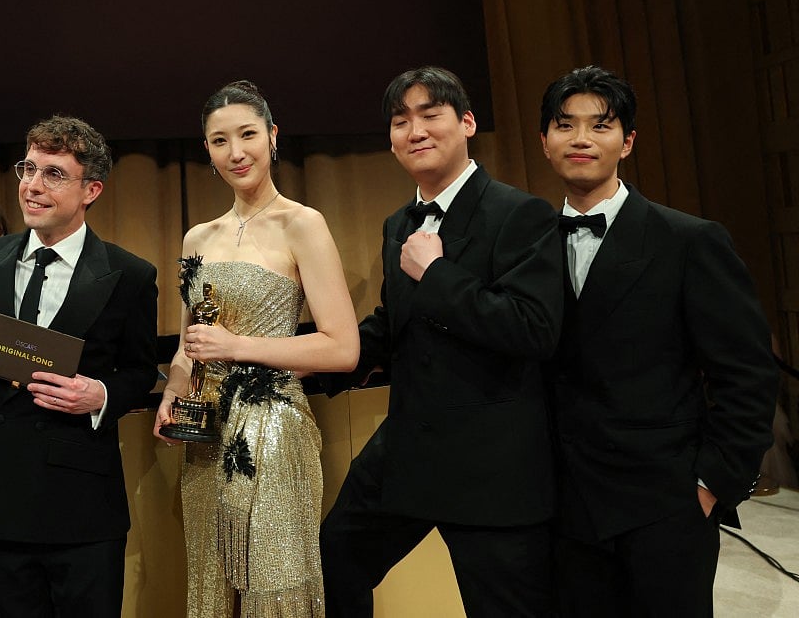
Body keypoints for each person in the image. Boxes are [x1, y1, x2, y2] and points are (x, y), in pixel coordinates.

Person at [320, 66, 564, 617]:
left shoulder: (520, 213)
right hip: (407, 451)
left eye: (431, 115)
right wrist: (313, 361)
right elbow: (394, 324)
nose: (416, 131)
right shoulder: (397, 223)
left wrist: (437, 275)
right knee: (335, 557)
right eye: (401, 121)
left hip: (493, 469)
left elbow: (533, 328)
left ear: (468, 122)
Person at [538, 65, 778, 616]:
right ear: (545, 141)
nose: (580, 139)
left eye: (601, 126)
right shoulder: (526, 245)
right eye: (564, 125)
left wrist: (712, 483)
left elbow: (748, 374)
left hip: (665, 503)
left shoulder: (689, 240)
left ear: (628, 142)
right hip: (563, 508)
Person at [153, 80, 359, 618]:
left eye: (247, 135)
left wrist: (238, 345)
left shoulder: (302, 224)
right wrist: (173, 392)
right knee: (211, 578)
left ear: (272, 137)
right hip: (205, 436)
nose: (236, 152)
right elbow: (187, 348)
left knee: (275, 579)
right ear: (207, 150)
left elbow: (342, 348)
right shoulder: (197, 238)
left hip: (273, 427)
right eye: (220, 141)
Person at [0, 115, 158, 618]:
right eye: (27, 169)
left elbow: (140, 373)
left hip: (83, 512)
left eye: (53, 174)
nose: (31, 186)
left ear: (91, 189)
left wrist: (101, 396)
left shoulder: (131, 275)